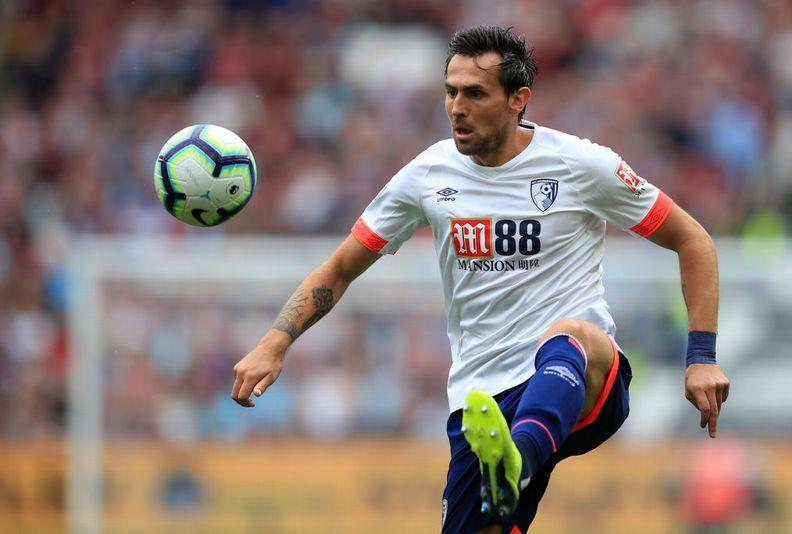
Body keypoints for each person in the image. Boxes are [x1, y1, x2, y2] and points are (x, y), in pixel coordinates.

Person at [230, 25, 731, 533]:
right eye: (450, 92)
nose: (457, 108)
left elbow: (693, 240)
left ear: (518, 100)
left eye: (475, 94)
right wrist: (275, 341)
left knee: (571, 335)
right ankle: (507, 465)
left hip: (584, 379)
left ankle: (517, 460)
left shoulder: (579, 164)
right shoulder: (428, 175)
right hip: (483, 404)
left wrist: (701, 358)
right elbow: (340, 268)